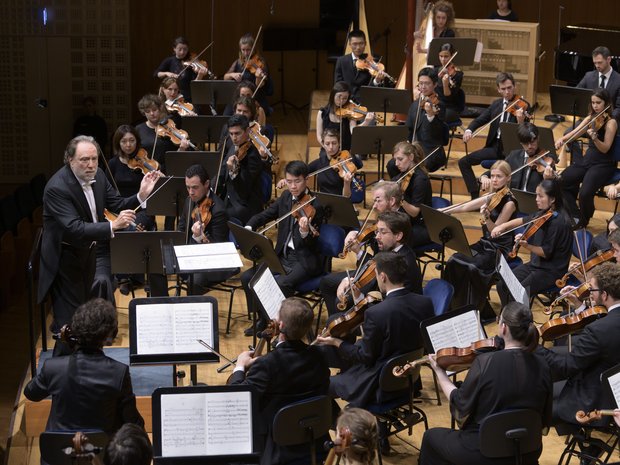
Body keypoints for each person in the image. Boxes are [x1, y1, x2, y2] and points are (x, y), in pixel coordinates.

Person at [38, 136, 160, 355]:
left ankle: (82, 370)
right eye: (84, 159)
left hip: (89, 252)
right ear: (69, 159)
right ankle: (55, 378)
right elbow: (74, 228)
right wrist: (113, 226)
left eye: (94, 158)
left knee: (85, 315)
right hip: (65, 258)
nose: (91, 164)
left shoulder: (100, 176)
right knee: (70, 323)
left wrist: (141, 195)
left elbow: (117, 204)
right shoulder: (57, 188)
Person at [316, 252, 434, 452]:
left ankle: (355, 430)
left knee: (319, 385)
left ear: (383, 277)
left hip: (377, 382)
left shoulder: (376, 313)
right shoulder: (425, 303)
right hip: (406, 378)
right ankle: (374, 429)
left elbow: (365, 357)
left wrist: (336, 342)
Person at [419, 302, 552, 465]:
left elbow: (460, 404)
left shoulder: (485, 362)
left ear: (503, 328)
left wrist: (440, 372)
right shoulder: (542, 365)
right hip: (527, 450)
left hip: (485, 451)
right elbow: (544, 416)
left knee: (430, 438)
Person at [229, 297, 330, 465]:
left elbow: (239, 398)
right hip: (311, 434)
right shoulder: (319, 356)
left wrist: (239, 367)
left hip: (275, 441)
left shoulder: (267, 364)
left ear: (281, 326)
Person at [24, 298, 144, 434]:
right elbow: (132, 421)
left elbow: (31, 393)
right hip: (102, 452)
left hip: (57, 453)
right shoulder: (119, 372)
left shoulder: (53, 368)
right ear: (109, 336)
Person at [242, 161, 324, 334]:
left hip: (304, 260)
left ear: (307, 180)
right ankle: (262, 319)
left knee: (281, 284)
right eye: (289, 181)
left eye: (297, 181)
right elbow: (266, 214)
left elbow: (313, 243)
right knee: (248, 277)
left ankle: (279, 326)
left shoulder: (316, 205)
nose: (293, 186)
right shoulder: (286, 198)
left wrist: (304, 232)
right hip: (282, 256)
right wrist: (250, 227)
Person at [537, 262, 620, 429]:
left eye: (593, 290)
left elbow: (568, 367)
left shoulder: (596, 331)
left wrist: (535, 347)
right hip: (614, 386)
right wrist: (578, 305)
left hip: (596, 399)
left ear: (604, 295)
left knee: (537, 405)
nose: (589, 293)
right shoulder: (605, 325)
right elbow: (608, 326)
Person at [442, 160, 517, 314]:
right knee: (453, 260)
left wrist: (486, 217)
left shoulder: (510, 202)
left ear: (508, 178)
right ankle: (452, 306)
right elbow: (464, 206)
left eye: (499, 176)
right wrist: (443, 210)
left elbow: (495, 232)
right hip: (486, 244)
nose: (495, 179)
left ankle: (477, 311)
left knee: (472, 267)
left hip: (499, 248)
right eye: (493, 176)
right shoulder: (492, 196)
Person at [324, 211, 423, 317]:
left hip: (394, 317)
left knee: (341, 308)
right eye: (377, 232)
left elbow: (388, 307)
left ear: (398, 236)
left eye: (383, 232)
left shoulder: (403, 264)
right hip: (380, 301)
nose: (377, 237)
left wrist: (359, 297)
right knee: (329, 285)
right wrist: (347, 280)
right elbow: (372, 264)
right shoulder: (391, 248)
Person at [492, 179, 572, 307]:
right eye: (536, 195)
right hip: (536, 265)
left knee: (518, 293)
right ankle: (507, 315)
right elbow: (523, 220)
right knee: (502, 285)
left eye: (541, 196)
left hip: (551, 271)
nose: (536, 199)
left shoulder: (559, 222)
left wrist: (526, 245)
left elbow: (546, 253)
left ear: (552, 199)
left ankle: (518, 322)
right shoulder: (544, 213)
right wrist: (502, 226)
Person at [460, 72, 529, 199]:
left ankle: (491, 184)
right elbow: (480, 119)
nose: (507, 92)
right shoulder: (496, 105)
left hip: (512, 151)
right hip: (494, 147)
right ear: (498, 89)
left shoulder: (523, 106)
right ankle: (474, 197)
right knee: (463, 162)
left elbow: (526, 134)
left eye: (509, 88)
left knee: (495, 172)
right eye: (503, 89)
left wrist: (521, 121)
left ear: (514, 87)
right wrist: (469, 130)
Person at [556, 89, 617, 228]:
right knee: (560, 181)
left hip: (603, 164)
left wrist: (595, 139)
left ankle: (584, 220)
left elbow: (606, 148)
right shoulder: (591, 118)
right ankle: (576, 214)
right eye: (593, 102)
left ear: (606, 103)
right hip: (587, 161)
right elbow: (575, 133)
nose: (595, 106)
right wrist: (562, 140)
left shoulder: (611, 123)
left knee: (585, 193)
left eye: (598, 103)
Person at [177, 164, 235, 294]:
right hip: (190, 252)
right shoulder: (189, 200)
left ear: (207, 184)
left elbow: (218, 247)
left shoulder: (218, 210)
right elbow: (181, 228)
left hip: (212, 260)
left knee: (194, 281)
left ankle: (194, 312)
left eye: (195, 188)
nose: (191, 192)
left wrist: (199, 237)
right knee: (159, 264)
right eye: (188, 187)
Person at [479, 122, 557, 193]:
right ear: (521, 143)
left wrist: (547, 180)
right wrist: (484, 176)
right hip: (514, 199)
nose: (530, 146)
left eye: (532, 142)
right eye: (526, 143)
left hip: (535, 201)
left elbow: (554, 189)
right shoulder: (514, 155)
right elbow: (499, 168)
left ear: (538, 139)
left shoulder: (548, 159)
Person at [216, 114, 265, 224]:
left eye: (237, 133)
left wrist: (234, 171)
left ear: (247, 131)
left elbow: (243, 191)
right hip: (229, 197)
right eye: (231, 134)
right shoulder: (233, 147)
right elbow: (222, 171)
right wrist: (210, 189)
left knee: (220, 217)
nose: (234, 137)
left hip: (246, 203)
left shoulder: (253, 156)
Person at [404, 68, 448, 172]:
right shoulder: (415, 104)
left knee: (419, 166)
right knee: (392, 164)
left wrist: (431, 116)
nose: (423, 86)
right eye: (420, 83)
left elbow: (439, 133)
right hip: (414, 149)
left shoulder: (439, 105)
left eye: (427, 83)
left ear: (435, 84)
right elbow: (408, 128)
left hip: (432, 151)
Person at [390, 141, 432, 246]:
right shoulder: (404, 174)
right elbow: (392, 184)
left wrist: (401, 199)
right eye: (395, 160)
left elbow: (414, 212)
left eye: (400, 159)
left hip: (421, 226)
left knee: (390, 239)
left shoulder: (420, 180)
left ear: (411, 157)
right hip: (407, 222)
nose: (396, 164)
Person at [135, 94, 189, 171]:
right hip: (145, 171)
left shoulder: (169, 127)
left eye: (154, 110)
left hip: (166, 170)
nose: (152, 114)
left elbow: (175, 156)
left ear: (160, 109)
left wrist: (182, 149)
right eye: (148, 111)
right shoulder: (138, 129)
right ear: (144, 112)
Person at [224, 33, 274, 116]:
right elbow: (225, 77)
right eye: (243, 50)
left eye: (248, 50)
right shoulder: (238, 62)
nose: (246, 53)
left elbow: (260, 85)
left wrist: (258, 77)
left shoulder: (261, 62)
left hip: (256, 98)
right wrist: (233, 75)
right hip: (240, 98)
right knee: (226, 114)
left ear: (253, 49)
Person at [316, 81, 374, 152]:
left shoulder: (349, 114)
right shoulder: (322, 113)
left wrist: (366, 121)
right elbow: (319, 136)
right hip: (327, 151)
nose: (341, 100)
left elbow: (354, 131)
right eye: (339, 96)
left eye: (345, 98)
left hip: (345, 152)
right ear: (333, 95)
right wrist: (328, 149)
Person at [306, 127, 363, 198]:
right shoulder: (320, 162)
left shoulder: (347, 159)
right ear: (323, 144)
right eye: (327, 144)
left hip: (341, 202)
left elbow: (347, 197)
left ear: (339, 143)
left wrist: (347, 182)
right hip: (323, 202)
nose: (331, 147)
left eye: (334, 143)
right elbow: (303, 171)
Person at [334, 29, 390, 100]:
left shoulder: (372, 61)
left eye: (361, 43)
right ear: (350, 44)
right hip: (347, 101)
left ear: (365, 43)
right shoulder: (341, 61)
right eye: (355, 44)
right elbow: (338, 85)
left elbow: (376, 89)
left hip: (366, 101)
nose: (358, 47)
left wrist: (377, 81)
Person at [154, 36, 207, 102]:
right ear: (174, 49)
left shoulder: (192, 63)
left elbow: (195, 84)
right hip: (172, 96)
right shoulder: (169, 60)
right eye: (179, 49)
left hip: (188, 97)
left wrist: (200, 75)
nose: (182, 52)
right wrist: (167, 73)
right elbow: (156, 73)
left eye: (185, 49)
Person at [576, 46, 620, 121]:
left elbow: (619, 107)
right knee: (567, 132)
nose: (597, 66)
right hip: (590, 119)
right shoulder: (588, 76)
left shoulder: (618, 80)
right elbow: (576, 93)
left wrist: (605, 118)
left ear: (609, 59)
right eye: (595, 63)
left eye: (599, 62)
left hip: (611, 120)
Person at [435, 43, 465, 124]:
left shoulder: (458, 74)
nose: (443, 59)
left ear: (452, 56)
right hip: (436, 104)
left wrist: (445, 84)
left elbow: (448, 98)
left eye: (446, 56)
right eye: (441, 56)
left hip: (450, 107)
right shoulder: (436, 70)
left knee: (437, 117)